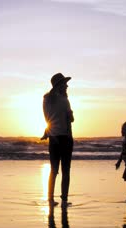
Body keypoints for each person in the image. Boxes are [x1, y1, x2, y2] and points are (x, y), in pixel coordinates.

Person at [41, 73, 74, 205]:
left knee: (54, 170)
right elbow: (70, 120)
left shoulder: (46, 99)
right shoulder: (64, 100)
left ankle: (50, 199)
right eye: (65, 83)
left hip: (53, 138)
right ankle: (64, 200)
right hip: (65, 138)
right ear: (59, 85)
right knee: (66, 170)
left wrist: (47, 132)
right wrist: (71, 114)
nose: (67, 86)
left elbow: (48, 120)